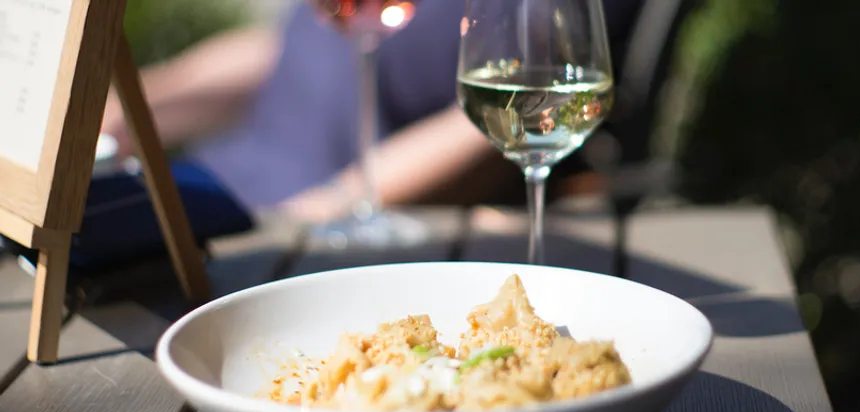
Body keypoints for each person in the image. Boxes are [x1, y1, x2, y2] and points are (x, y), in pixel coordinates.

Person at [101, 1, 643, 221]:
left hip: (284, 224)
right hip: (215, 178)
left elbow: (526, 103)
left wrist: (334, 207)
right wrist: (132, 108)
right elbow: (287, 45)